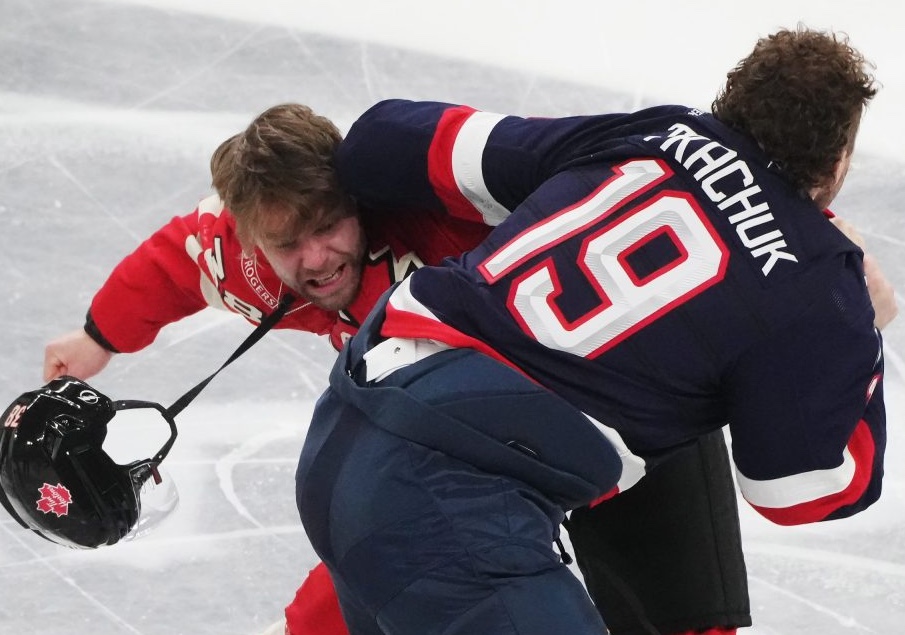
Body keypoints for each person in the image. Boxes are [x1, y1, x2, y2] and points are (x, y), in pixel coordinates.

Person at [42, 103, 757, 635]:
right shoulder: (246, 263)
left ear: (357, 195)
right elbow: (172, 262)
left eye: (327, 225)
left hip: (621, 411)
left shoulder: (449, 214)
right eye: (289, 243)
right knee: (381, 550)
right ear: (253, 237)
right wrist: (97, 336)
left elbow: (635, 180)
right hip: (471, 445)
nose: (315, 259)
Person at [294, 25, 896, 635]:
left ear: (730, 101)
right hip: (451, 507)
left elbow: (378, 145)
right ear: (839, 160)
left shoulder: (647, 134)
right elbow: (799, 494)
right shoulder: (818, 280)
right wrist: (864, 332)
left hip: (343, 429)